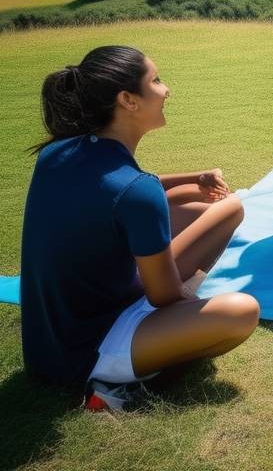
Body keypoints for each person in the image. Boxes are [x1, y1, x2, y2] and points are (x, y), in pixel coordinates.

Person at [20, 46, 260, 410]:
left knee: (213, 208)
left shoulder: (60, 151)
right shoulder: (136, 191)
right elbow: (163, 295)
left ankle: (153, 340)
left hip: (45, 348)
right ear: (128, 100)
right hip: (92, 351)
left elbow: (124, 188)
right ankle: (115, 389)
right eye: (157, 81)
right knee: (240, 312)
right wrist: (189, 302)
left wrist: (194, 178)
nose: (166, 90)